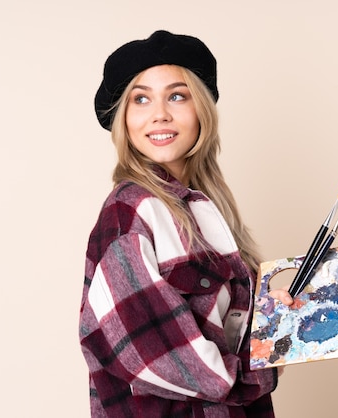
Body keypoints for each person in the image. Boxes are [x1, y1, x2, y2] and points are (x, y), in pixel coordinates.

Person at [79, 30, 294, 418]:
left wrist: (269, 322)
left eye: (177, 96)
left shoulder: (206, 210)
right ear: (123, 119)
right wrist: (261, 367)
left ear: (202, 110)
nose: (160, 113)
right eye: (140, 99)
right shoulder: (129, 214)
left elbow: (220, 337)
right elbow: (159, 357)